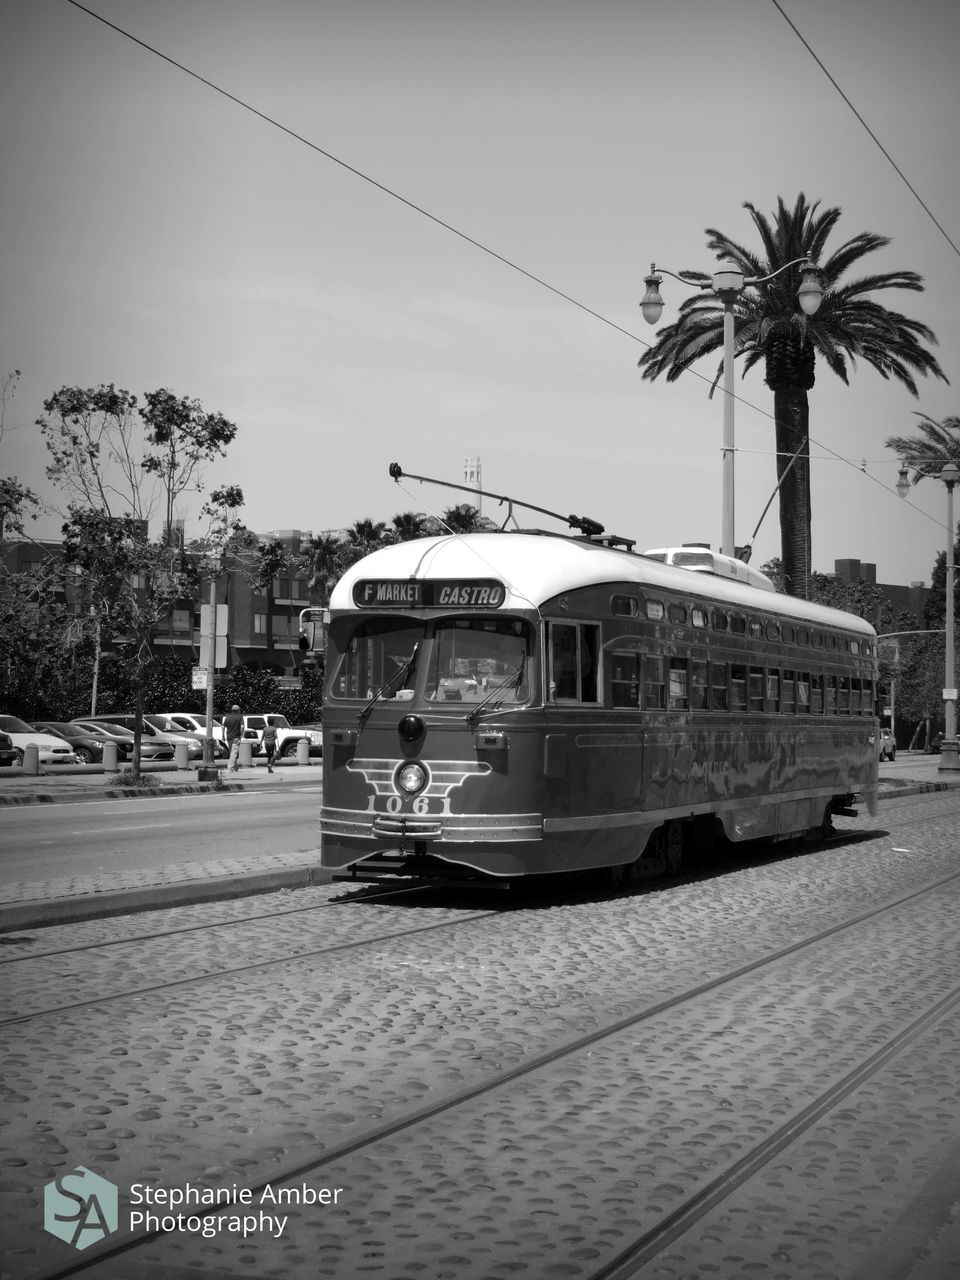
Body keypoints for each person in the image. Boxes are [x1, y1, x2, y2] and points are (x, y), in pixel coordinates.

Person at [223, 704, 243, 772]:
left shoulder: (227, 717)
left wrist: (223, 735)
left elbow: (223, 727)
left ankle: (236, 767)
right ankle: (230, 767)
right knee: (234, 753)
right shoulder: (240, 717)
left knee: (232, 752)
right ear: (238, 710)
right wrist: (241, 735)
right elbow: (242, 727)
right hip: (236, 737)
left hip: (228, 737)